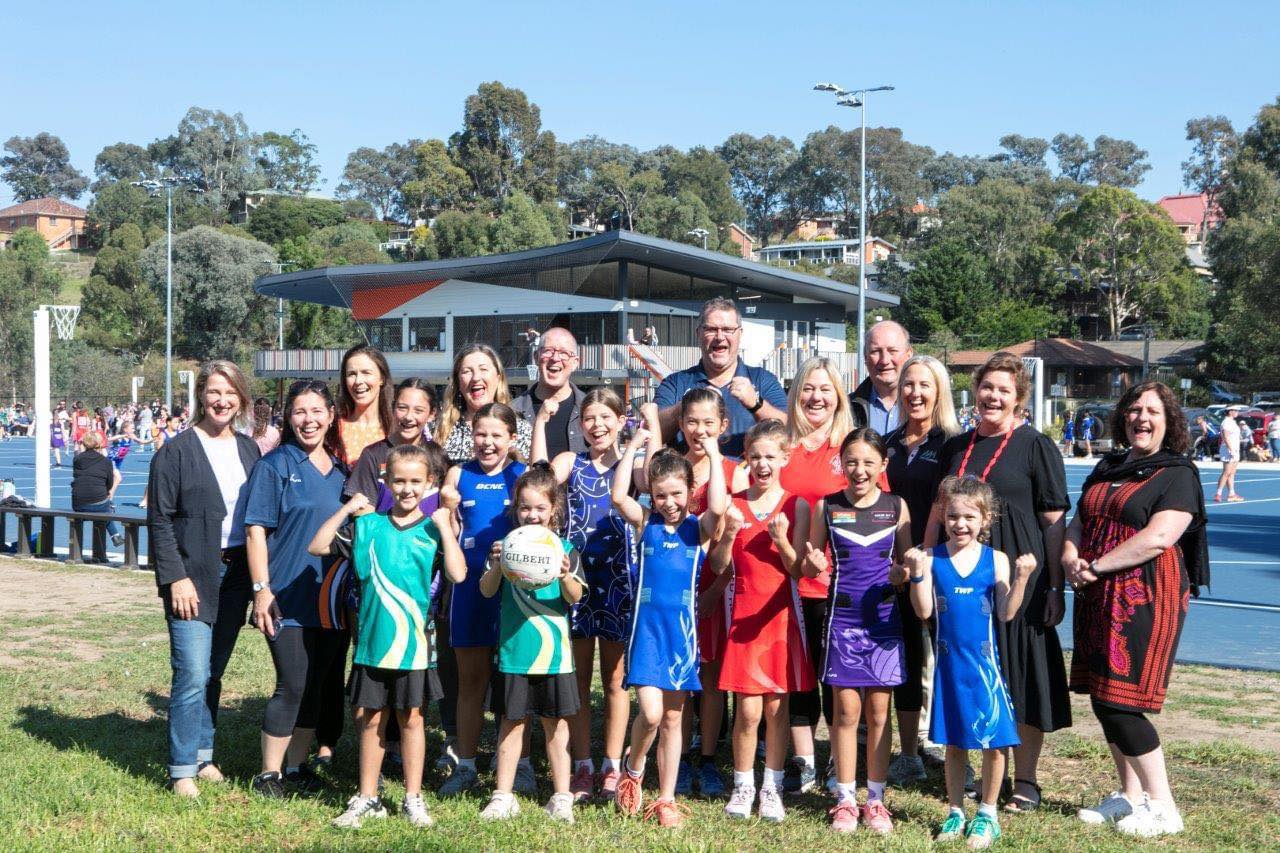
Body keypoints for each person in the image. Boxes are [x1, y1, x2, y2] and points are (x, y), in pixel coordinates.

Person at [1062, 382, 1208, 838]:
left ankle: (1164, 807)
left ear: (1169, 421)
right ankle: (1129, 796)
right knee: (1101, 695)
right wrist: (1070, 555)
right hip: (1096, 593)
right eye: (1133, 410)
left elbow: (1160, 536)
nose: (1141, 418)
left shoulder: (1177, 474)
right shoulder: (1109, 466)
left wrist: (1098, 565)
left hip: (1144, 596)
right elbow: (1080, 520)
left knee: (1121, 700)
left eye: (1152, 411)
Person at [933, 352, 1071, 811]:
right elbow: (942, 510)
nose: (993, 396)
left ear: (1018, 398)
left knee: (1023, 673)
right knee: (979, 671)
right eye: (987, 387)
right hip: (966, 579)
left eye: (1003, 391)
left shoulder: (1036, 446)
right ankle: (987, 771)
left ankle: (1026, 779)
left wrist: (1052, 585)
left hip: (1021, 578)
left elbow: (1053, 521)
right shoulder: (959, 447)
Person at [310, 445, 467, 829]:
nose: (407, 489)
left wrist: (446, 526)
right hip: (372, 645)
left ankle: (413, 797)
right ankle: (368, 797)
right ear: (386, 481)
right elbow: (317, 545)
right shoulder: (368, 526)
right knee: (369, 720)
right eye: (399, 480)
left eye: (416, 481)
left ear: (430, 483)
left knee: (412, 720)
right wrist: (348, 509)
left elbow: (458, 574)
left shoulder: (433, 529)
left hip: (414, 647)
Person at [148, 360, 260, 797]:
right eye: (214, 392)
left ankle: (203, 752)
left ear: (241, 399)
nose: (222, 400)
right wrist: (176, 578)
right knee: (192, 671)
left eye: (230, 393)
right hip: (192, 574)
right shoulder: (174, 453)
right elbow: (159, 522)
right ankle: (181, 769)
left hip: (235, 574)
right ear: (200, 396)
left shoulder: (250, 450)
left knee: (213, 670)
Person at [907, 477, 1037, 850]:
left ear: (985, 519)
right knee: (954, 744)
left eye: (968, 517)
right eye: (953, 516)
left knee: (994, 744)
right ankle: (955, 810)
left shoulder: (995, 559)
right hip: (949, 668)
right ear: (943, 518)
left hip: (984, 669)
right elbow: (924, 611)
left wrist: (1022, 579)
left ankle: (988, 813)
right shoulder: (932, 558)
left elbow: (1005, 612)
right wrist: (917, 574)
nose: (960, 524)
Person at [533, 388, 647, 804]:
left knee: (616, 680)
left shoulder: (630, 465)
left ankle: (612, 766)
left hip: (618, 580)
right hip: (576, 578)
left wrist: (639, 441)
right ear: (580, 425)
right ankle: (582, 763)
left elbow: (649, 482)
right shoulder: (571, 462)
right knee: (578, 677)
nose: (597, 425)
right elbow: (538, 477)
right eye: (589, 419)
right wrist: (542, 423)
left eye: (606, 418)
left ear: (620, 420)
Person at [611, 435, 728, 827]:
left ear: (689, 491)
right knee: (650, 712)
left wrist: (713, 453)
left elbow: (718, 506)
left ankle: (665, 799)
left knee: (674, 719)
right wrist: (631, 449)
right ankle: (634, 765)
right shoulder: (646, 523)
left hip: (682, 634)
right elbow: (618, 498)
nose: (669, 503)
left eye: (677, 494)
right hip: (646, 632)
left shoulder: (699, 529)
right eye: (660, 495)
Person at [803, 428, 913, 834]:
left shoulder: (897, 507)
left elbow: (905, 565)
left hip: (883, 623)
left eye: (869, 462)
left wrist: (903, 574)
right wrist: (811, 563)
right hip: (842, 621)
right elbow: (810, 563)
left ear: (883, 465)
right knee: (846, 712)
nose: (859, 470)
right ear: (841, 465)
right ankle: (846, 799)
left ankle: (877, 800)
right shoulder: (825, 506)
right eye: (851, 461)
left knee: (879, 714)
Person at [242, 380, 348, 798]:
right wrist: (261, 590)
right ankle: (268, 774)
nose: (309, 420)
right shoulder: (275, 466)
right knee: (293, 681)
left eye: (317, 411)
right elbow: (255, 532)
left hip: (331, 599)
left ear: (331, 416)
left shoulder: (341, 472)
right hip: (285, 596)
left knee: (320, 683)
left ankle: (298, 766)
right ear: (288, 417)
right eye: (300, 412)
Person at [708, 419, 814, 823]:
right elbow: (719, 566)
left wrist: (783, 538)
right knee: (747, 712)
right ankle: (743, 784)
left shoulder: (796, 505)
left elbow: (798, 570)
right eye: (755, 457)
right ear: (745, 460)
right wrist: (730, 534)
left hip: (781, 619)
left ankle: (771, 786)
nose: (763, 464)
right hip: (744, 617)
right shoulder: (734, 504)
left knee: (776, 710)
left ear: (786, 457)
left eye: (771, 456)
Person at [477, 465, 585, 823]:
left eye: (540, 508)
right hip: (514, 653)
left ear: (554, 509)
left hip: (554, 657)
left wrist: (567, 572)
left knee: (556, 726)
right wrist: (496, 566)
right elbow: (487, 590)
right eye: (525, 508)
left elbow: (574, 598)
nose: (532, 514)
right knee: (511, 723)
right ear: (515, 508)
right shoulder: (506, 546)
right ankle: (503, 795)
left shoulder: (566, 548)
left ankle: (561, 796)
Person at [438, 402, 530, 797]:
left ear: (512, 438)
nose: (487, 443)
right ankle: (467, 763)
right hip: (470, 592)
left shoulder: (521, 475)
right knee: (470, 682)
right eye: (481, 434)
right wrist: (444, 501)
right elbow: (445, 528)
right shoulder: (457, 475)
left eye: (497, 435)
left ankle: (520, 764)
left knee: (514, 683)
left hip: (513, 595)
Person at [883, 355, 962, 786]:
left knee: (948, 660)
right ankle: (909, 752)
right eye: (908, 384)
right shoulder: (888, 443)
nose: (915, 393)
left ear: (939, 392)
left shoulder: (952, 442)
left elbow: (951, 505)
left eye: (924, 385)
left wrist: (925, 558)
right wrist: (897, 564)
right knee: (909, 659)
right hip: (893, 570)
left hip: (939, 567)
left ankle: (956, 750)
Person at [777, 356, 854, 795]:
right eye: (808, 389)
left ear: (838, 395)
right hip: (785, 581)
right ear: (795, 395)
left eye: (825, 389)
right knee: (797, 675)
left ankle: (837, 761)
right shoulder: (781, 448)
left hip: (837, 585)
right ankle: (804, 761)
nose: (816, 397)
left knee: (834, 676)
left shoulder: (851, 450)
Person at [675, 388, 748, 798]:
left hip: (721, 585)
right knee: (684, 677)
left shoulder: (736, 472)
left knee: (714, 676)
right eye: (691, 422)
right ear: (681, 424)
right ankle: (681, 755)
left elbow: (738, 536)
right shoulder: (673, 469)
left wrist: (718, 586)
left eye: (708, 423)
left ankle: (708, 756)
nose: (699, 431)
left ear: (723, 426)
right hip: (681, 584)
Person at [653, 297, 787, 457]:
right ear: (698, 334)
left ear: (740, 334)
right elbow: (653, 432)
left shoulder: (764, 380)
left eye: (728, 329)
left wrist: (756, 404)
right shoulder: (675, 383)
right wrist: (687, 404)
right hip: (690, 479)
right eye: (711, 329)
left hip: (745, 480)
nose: (719, 336)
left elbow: (788, 431)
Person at [436, 343, 533, 465]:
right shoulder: (440, 430)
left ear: (498, 378)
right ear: (458, 382)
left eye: (483, 369)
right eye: (467, 371)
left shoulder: (521, 430)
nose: (476, 377)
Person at [512, 327, 588, 459]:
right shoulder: (513, 412)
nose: (555, 358)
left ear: (575, 362)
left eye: (564, 353)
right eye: (548, 351)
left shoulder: (590, 410)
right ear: (536, 357)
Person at [849, 320, 915, 434]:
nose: (884, 360)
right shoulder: (846, 409)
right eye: (876, 351)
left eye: (892, 351)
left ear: (909, 355)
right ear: (865, 357)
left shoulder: (929, 408)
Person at [71, 431, 124, 552]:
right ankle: (114, 536)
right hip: (99, 503)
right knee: (106, 507)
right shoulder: (105, 461)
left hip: (78, 503)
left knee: (102, 505)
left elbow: (76, 476)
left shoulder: (77, 459)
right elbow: (109, 483)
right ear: (99, 444)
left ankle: (114, 536)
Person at [1214, 404, 1244, 502]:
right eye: (1235, 411)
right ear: (1230, 411)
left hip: (1235, 449)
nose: (1237, 412)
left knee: (1232, 473)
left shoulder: (1232, 422)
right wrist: (1230, 449)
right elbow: (1225, 436)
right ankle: (1218, 493)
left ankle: (1231, 494)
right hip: (1229, 449)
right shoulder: (1226, 422)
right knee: (1227, 472)